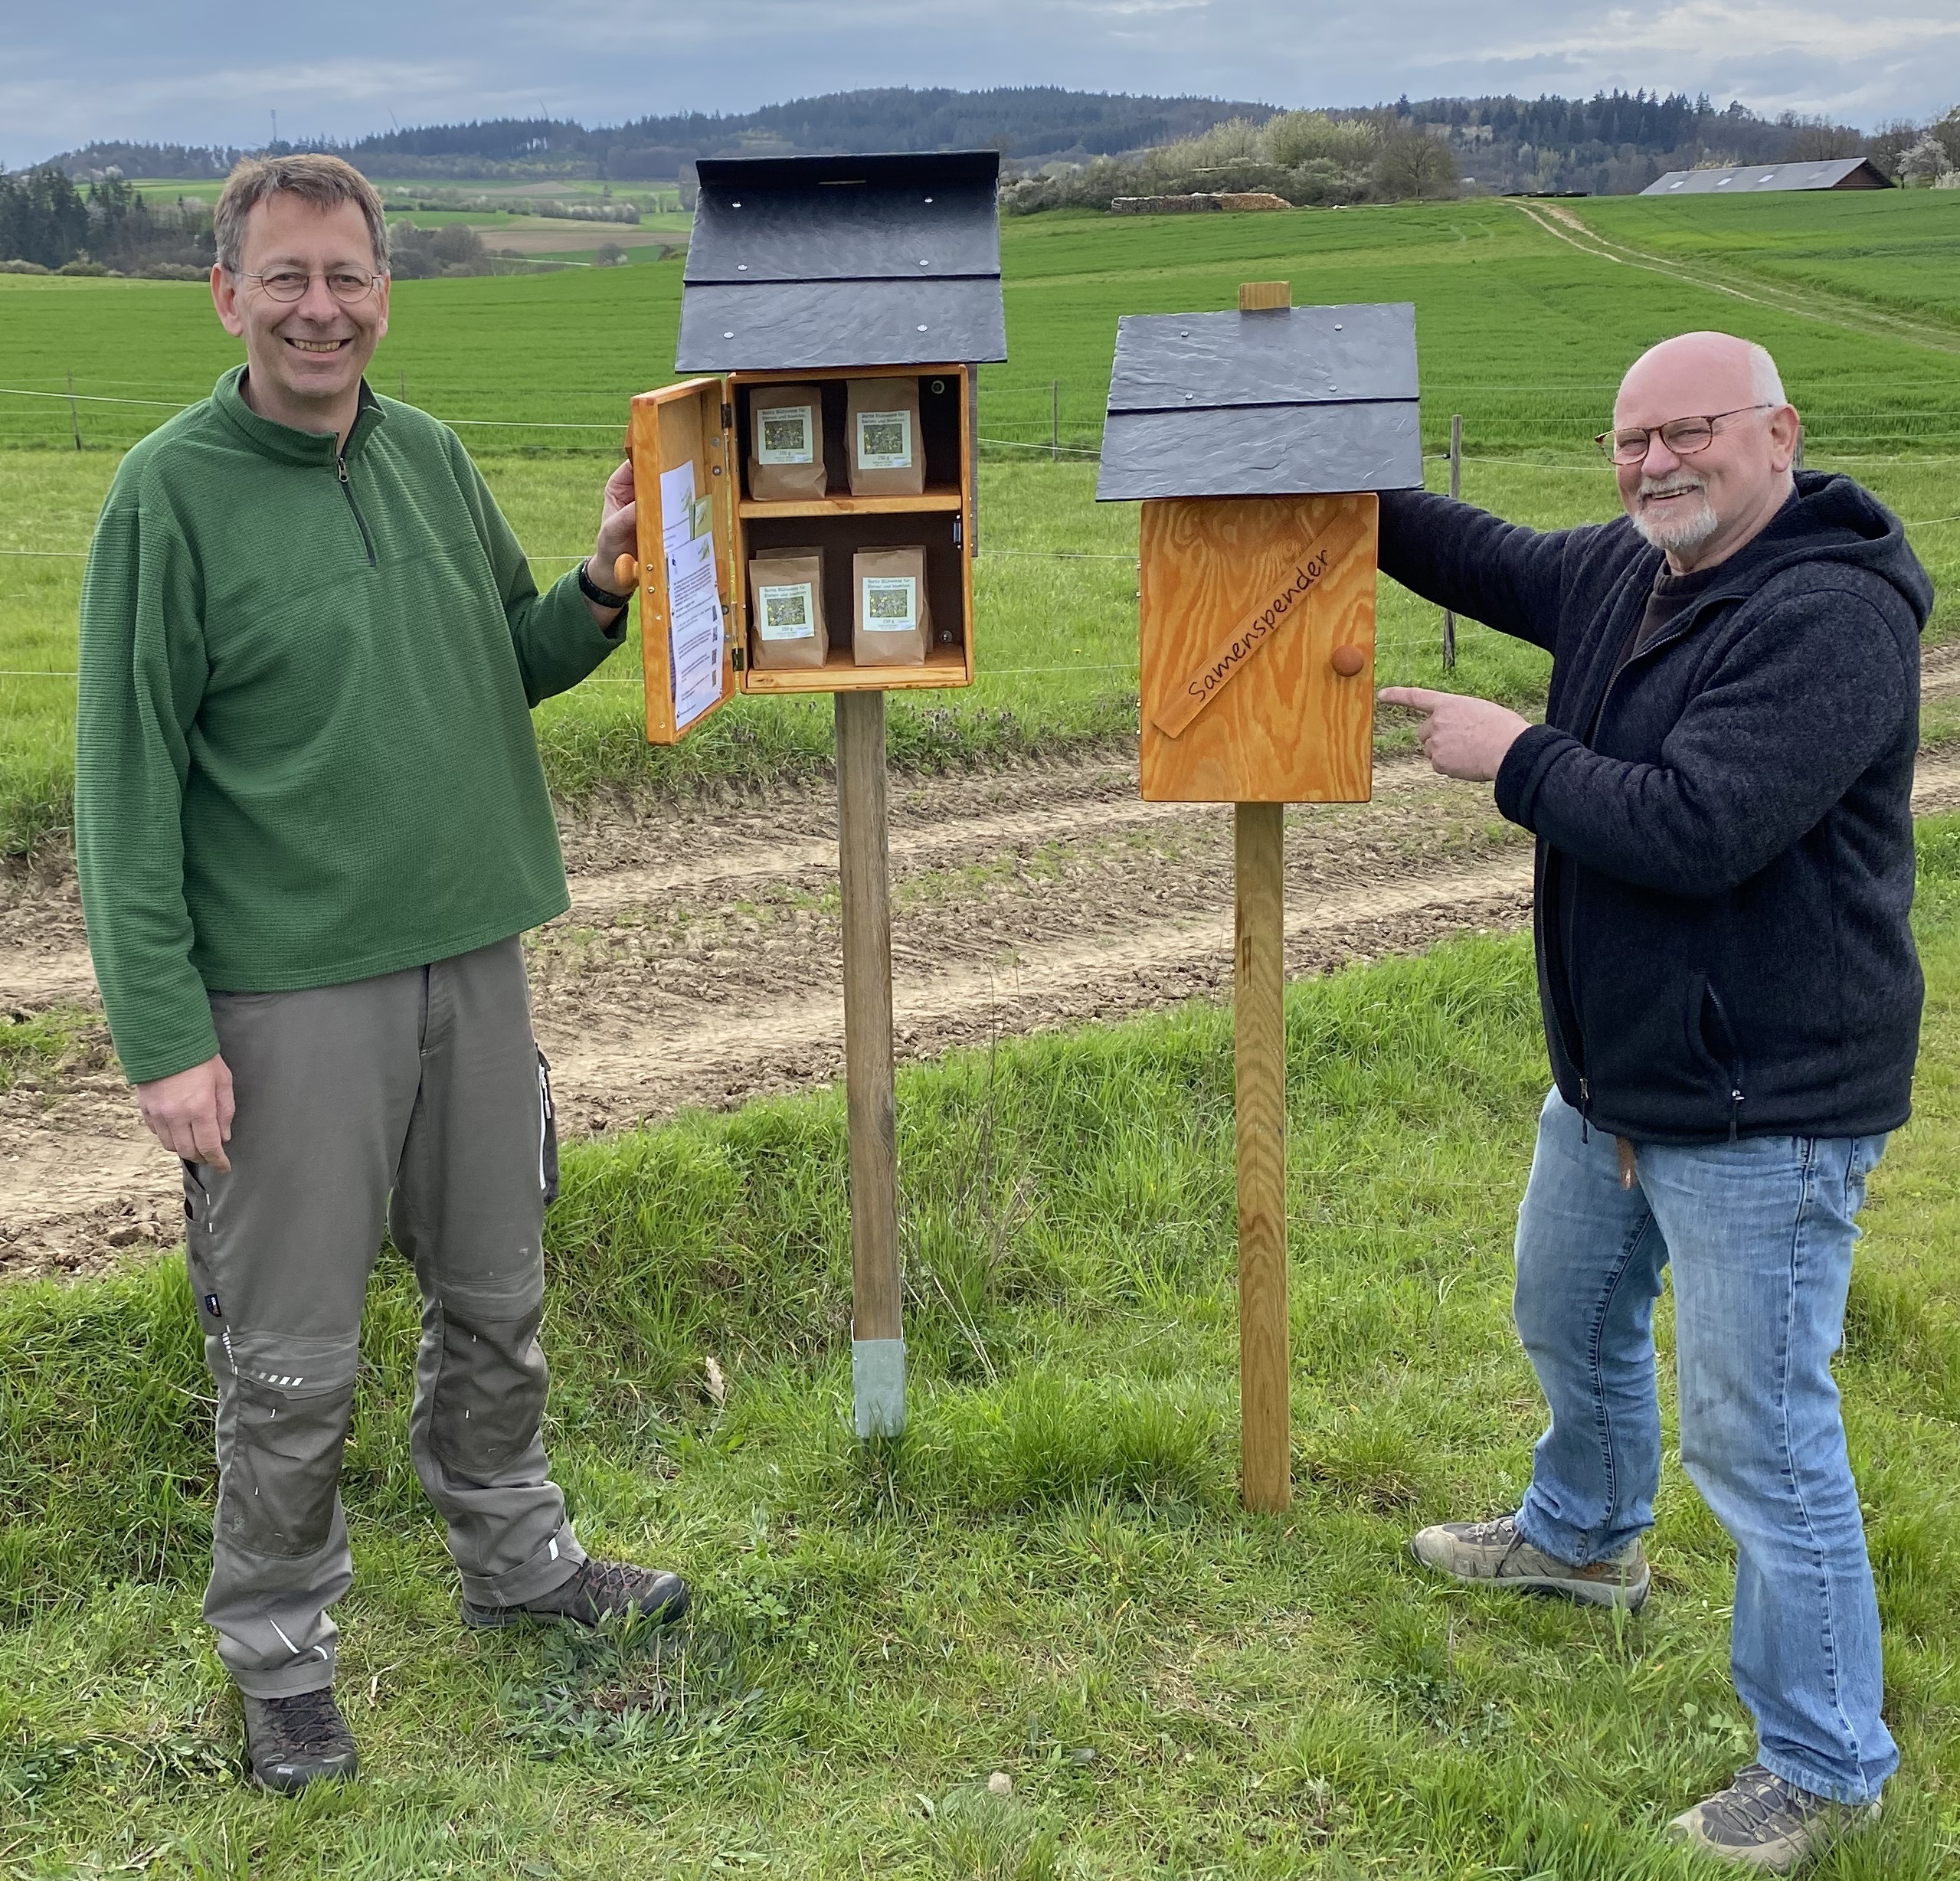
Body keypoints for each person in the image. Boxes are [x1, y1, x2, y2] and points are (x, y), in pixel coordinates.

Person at [74, 154, 685, 1796]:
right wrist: (164, 1037)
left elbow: (510, 658)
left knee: (497, 1300)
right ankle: (278, 1651)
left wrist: (604, 583)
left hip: (472, 964)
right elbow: (123, 791)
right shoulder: (167, 496)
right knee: (290, 1356)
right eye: (285, 277)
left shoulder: (424, 454)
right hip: (286, 1001)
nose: (319, 308)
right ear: (227, 295)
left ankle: (520, 1563)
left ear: (382, 291)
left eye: (345, 276)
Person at [1376, 330, 1930, 1873]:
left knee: (1757, 1434)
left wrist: (1511, 756)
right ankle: (1580, 1536)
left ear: (1775, 434)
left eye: (1685, 433)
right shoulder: (1633, 569)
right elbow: (1469, 545)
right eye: (1629, 440)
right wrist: (1313, 473)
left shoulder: (1829, 613)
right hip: (1615, 1076)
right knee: (1562, 1315)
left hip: (1767, 1099)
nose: (1652, 464)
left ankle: (1822, 1762)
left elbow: (1699, 826)